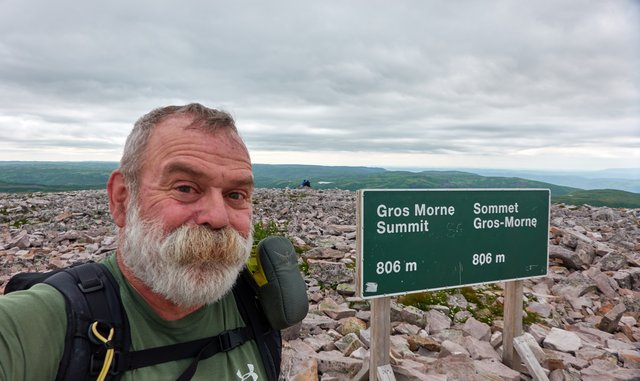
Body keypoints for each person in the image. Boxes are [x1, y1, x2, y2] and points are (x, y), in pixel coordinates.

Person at [0, 104, 272, 380]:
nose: (218, 217)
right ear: (121, 199)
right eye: (185, 188)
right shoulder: (38, 324)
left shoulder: (260, 307)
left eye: (236, 195)